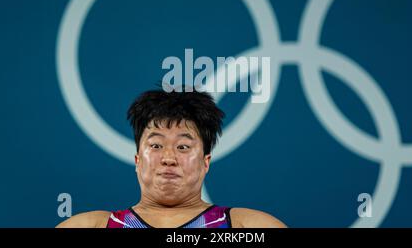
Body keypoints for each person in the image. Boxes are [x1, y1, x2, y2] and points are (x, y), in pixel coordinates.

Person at [56, 88, 287, 228]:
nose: (168, 158)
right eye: (156, 145)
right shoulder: (89, 225)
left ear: (206, 162)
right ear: (138, 160)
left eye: (183, 147)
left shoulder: (248, 226)